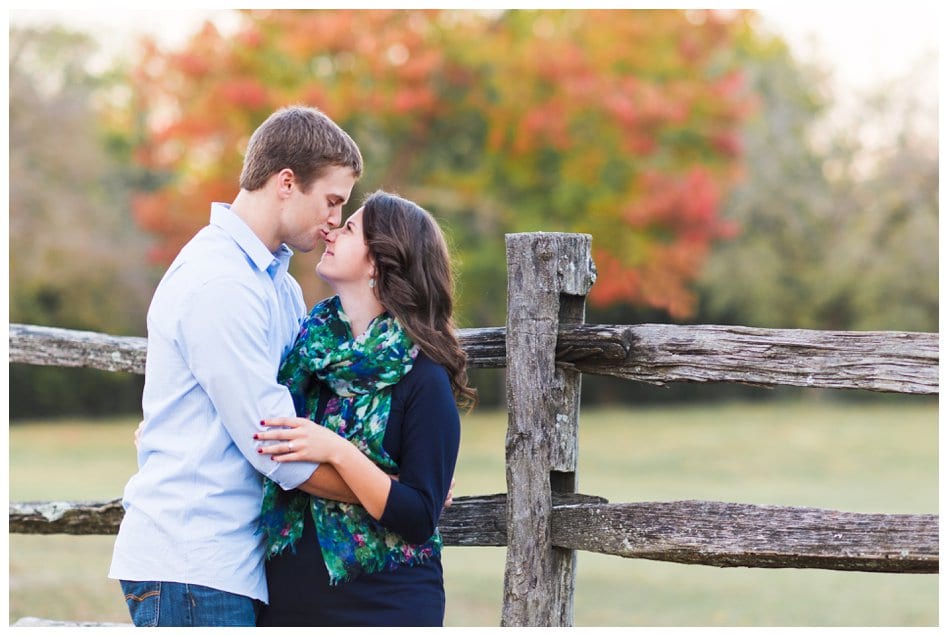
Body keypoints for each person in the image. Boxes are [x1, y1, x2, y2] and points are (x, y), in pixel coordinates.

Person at [108, 105, 365, 627]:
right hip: (193, 562)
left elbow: (310, 402)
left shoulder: (278, 285)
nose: (336, 220)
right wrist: (390, 491)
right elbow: (277, 446)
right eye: (333, 201)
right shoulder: (220, 283)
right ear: (287, 182)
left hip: (228, 564)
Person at [253, 190, 476, 627]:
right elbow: (254, 430)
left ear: (378, 261)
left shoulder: (422, 375)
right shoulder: (305, 353)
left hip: (386, 605)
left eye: (350, 228)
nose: (332, 231)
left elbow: (417, 515)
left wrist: (337, 450)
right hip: (286, 600)